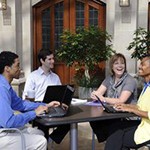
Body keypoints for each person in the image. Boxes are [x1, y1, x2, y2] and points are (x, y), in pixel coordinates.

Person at [0, 51, 60, 150]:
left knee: (39, 133)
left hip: (5, 129)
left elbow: (21, 104)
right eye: (17, 65)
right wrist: (34, 113)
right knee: (41, 141)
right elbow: (9, 122)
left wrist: (46, 105)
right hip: (2, 134)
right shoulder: (1, 89)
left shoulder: (6, 86)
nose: (20, 69)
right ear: (7, 68)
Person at [22, 49, 70, 144]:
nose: (53, 61)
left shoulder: (55, 77)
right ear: (42, 61)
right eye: (49, 59)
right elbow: (26, 98)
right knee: (44, 124)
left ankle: (51, 139)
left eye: (53, 58)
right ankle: (44, 142)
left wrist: (62, 102)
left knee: (69, 121)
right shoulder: (33, 76)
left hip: (54, 106)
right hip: (39, 107)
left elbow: (61, 94)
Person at [104, 55, 150, 150]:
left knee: (116, 137)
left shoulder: (131, 81)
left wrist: (129, 108)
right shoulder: (147, 86)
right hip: (142, 123)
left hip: (147, 130)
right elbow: (140, 107)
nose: (139, 67)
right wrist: (125, 106)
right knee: (114, 128)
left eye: (142, 64)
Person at [90, 53, 137, 143]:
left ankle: (112, 141)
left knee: (110, 126)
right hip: (113, 114)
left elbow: (121, 101)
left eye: (122, 63)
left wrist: (102, 98)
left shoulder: (130, 80)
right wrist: (95, 95)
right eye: (116, 63)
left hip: (127, 117)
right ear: (112, 66)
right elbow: (98, 94)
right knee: (93, 119)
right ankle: (110, 140)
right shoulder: (109, 79)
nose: (120, 66)